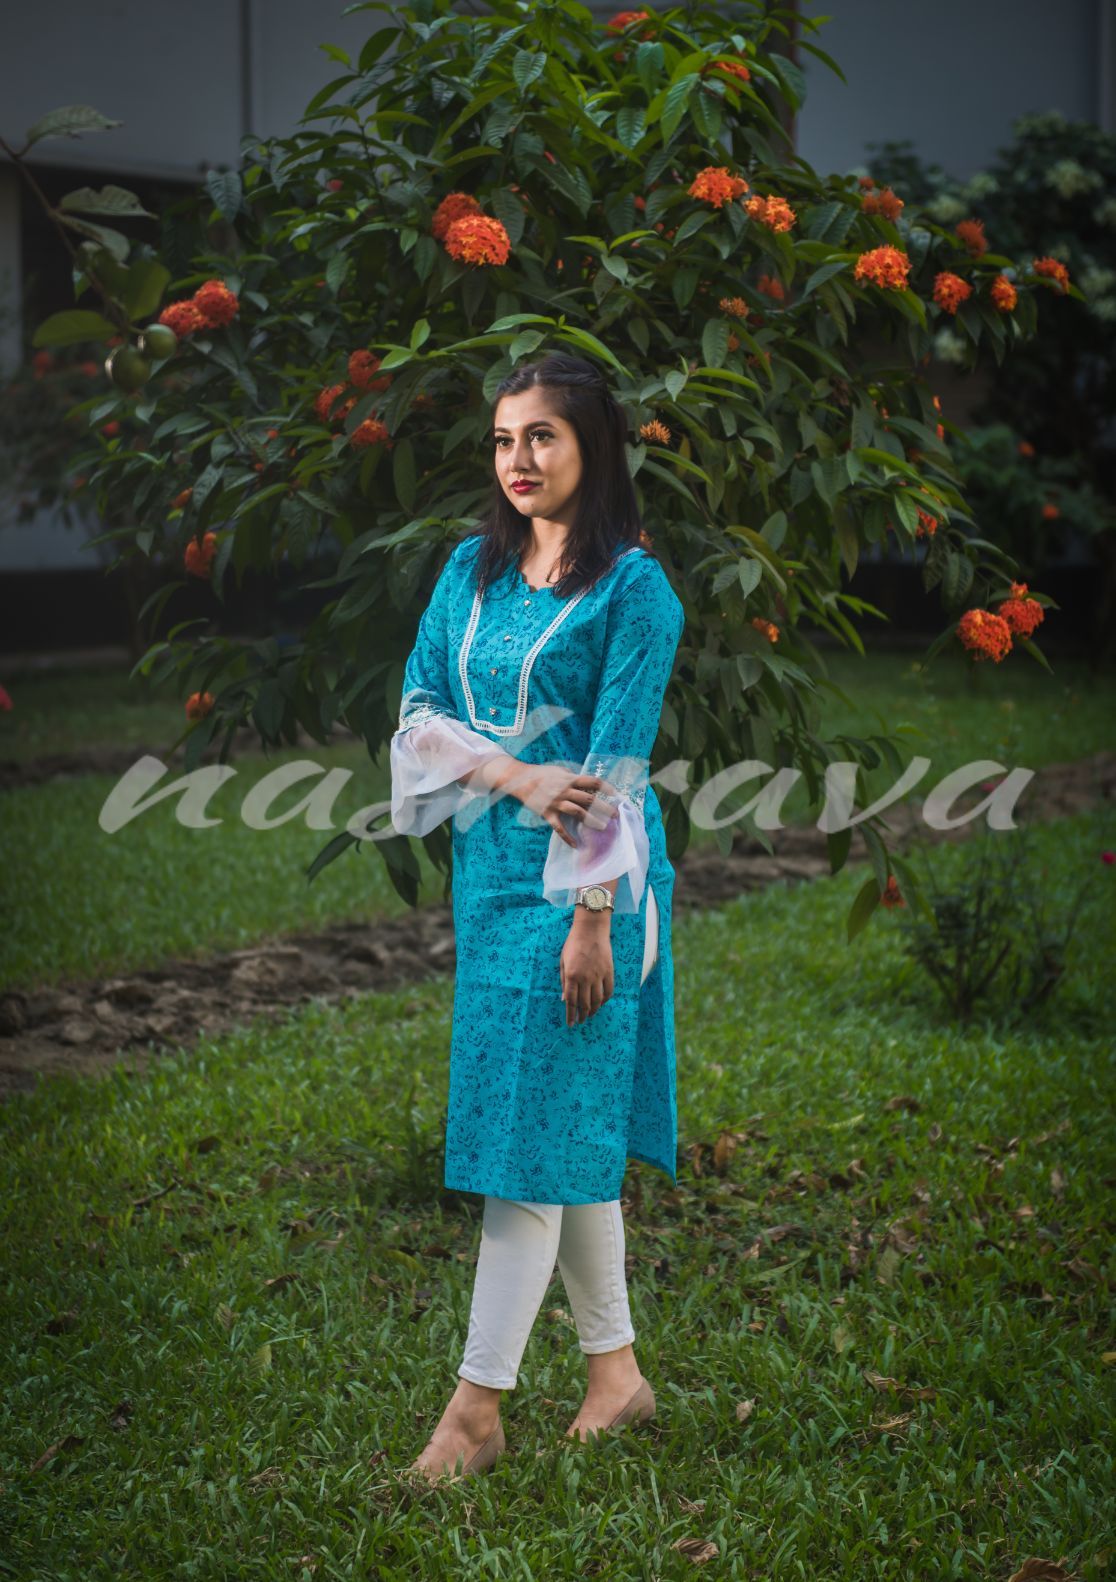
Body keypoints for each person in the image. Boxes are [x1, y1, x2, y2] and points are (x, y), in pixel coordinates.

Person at [389, 352, 686, 1484]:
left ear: (591, 448)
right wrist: (513, 774)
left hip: (588, 896)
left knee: (525, 1140)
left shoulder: (634, 591)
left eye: (542, 437)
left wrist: (593, 921)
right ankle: (617, 1378)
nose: (517, 460)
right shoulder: (471, 570)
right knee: (557, 1125)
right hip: (490, 881)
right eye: (504, 439)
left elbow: (616, 765)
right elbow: (418, 714)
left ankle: (475, 1411)